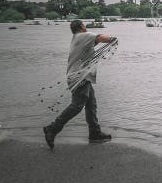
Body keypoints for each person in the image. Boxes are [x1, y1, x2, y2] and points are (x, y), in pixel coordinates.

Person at [43, 20, 116, 150]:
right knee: (77, 105)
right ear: (81, 27)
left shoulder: (78, 38)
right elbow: (99, 37)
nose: (86, 27)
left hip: (81, 77)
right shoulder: (83, 36)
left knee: (91, 105)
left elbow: (95, 41)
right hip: (79, 77)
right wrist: (112, 39)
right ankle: (52, 129)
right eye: (84, 25)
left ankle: (95, 133)